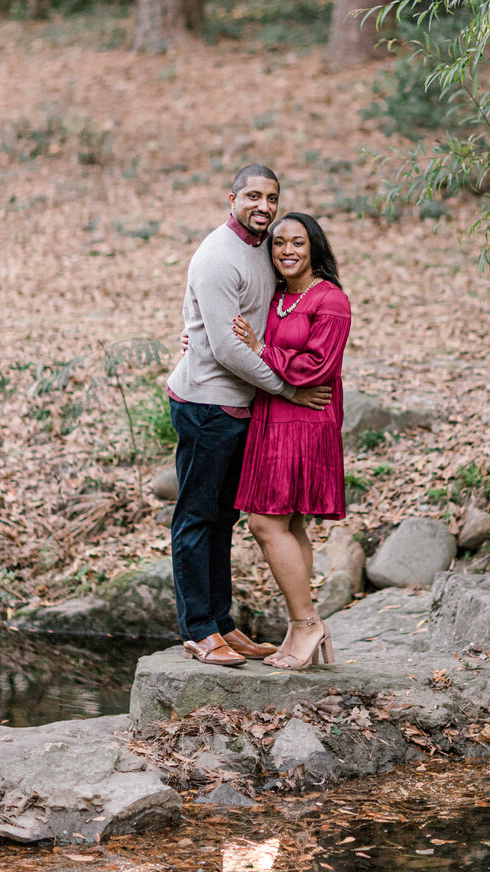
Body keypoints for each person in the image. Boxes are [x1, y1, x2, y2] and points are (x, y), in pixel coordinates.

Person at [166, 167, 332, 668]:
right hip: (207, 404)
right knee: (196, 516)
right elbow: (226, 350)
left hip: (243, 405)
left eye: (272, 198)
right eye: (253, 196)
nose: (263, 205)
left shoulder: (263, 246)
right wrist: (289, 390)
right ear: (231, 198)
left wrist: (192, 328)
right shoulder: (219, 255)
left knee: (222, 518)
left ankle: (222, 624)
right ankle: (198, 630)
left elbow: (214, 315)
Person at [231, 212, 351, 671]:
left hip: (304, 418)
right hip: (274, 414)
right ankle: (302, 624)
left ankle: (306, 624)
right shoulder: (279, 296)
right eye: (278, 243)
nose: (286, 251)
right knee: (290, 524)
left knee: (265, 523)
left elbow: (318, 368)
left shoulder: (331, 300)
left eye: (297, 243)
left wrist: (263, 350)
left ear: (314, 247)